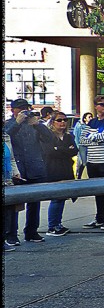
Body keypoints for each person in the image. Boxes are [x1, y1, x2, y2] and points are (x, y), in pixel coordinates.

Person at [3, 99, 51, 243]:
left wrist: (38, 125)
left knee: (34, 202)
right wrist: (17, 122)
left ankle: (31, 231)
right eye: (20, 109)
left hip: (35, 167)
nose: (24, 111)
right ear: (13, 111)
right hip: (17, 169)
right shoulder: (9, 124)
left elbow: (50, 139)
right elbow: (5, 137)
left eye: (26, 108)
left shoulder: (34, 124)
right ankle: (11, 234)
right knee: (13, 204)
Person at [79, 96, 104, 229]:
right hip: (93, 162)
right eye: (102, 104)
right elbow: (82, 140)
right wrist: (96, 136)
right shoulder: (92, 122)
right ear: (96, 106)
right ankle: (100, 219)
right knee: (98, 193)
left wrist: (92, 136)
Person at [42, 110, 77, 236]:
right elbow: (50, 152)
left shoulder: (68, 136)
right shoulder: (49, 136)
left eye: (65, 120)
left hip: (66, 170)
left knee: (62, 198)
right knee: (56, 198)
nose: (63, 122)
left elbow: (74, 151)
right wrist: (65, 150)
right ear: (53, 122)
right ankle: (52, 226)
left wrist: (60, 150)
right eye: (59, 120)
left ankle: (58, 223)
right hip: (53, 170)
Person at [4, 132, 23, 252]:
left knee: (8, 210)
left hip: (7, 178)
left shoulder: (5, 136)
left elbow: (11, 158)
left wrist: (16, 172)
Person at [73, 112, 93, 179]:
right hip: (82, 146)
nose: (91, 118)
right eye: (89, 117)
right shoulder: (79, 126)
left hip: (90, 146)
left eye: (91, 117)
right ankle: (79, 175)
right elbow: (76, 137)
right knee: (83, 162)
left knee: (89, 162)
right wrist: (78, 147)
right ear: (85, 119)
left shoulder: (92, 126)